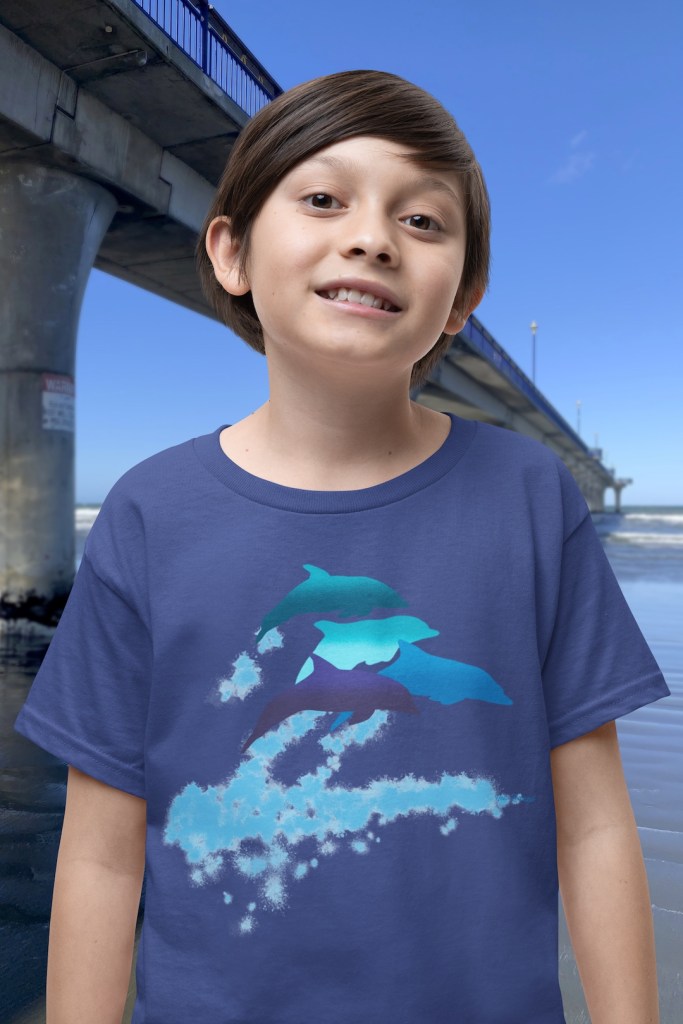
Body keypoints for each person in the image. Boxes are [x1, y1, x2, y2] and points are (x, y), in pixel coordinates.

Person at [14, 69, 670, 1024]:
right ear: (231, 252)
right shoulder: (151, 511)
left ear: (462, 299)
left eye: (422, 220)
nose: (371, 237)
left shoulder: (530, 495)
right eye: (323, 200)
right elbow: (104, 855)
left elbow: (596, 825)